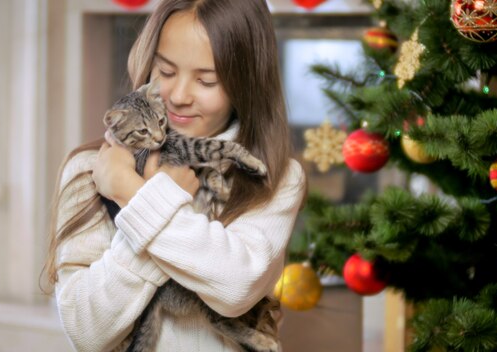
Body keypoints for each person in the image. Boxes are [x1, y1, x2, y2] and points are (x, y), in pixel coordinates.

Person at [44, 0, 306, 351]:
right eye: (166, 72)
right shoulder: (90, 169)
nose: (179, 96)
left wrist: (135, 194)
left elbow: (235, 288)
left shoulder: (275, 176)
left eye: (206, 80)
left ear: (245, 84)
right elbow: (86, 331)